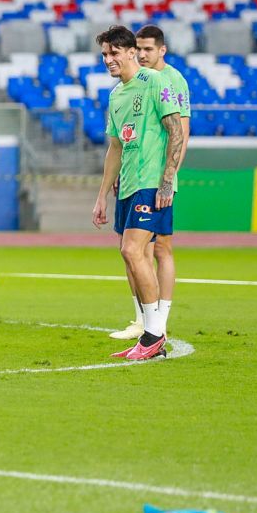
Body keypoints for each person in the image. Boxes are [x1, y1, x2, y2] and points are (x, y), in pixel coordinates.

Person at [91, 26, 184, 361]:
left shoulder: (156, 81)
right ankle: (150, 333)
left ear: (132, 51)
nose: (108, 59)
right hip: (128, 185)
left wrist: (167, 180)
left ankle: (154, 333)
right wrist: (102, 195)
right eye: (104, 54)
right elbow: (114, 147)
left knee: (134, 251)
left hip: (151, 182)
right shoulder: (116, 95)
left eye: (114, 52)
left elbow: (176, 131)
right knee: (131, 254)